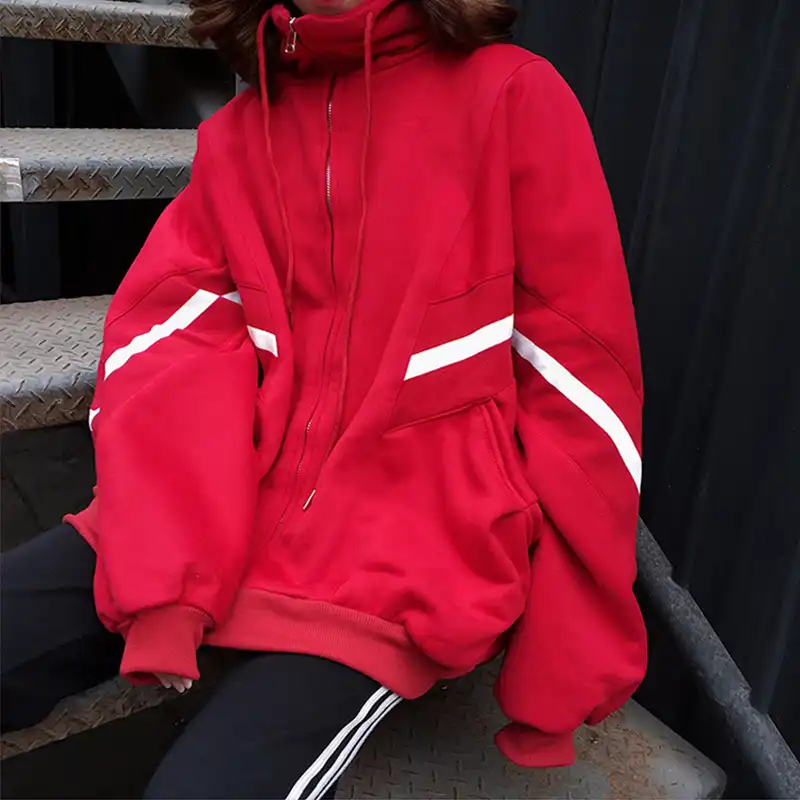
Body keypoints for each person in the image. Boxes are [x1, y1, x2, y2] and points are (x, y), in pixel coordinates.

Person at [0, 0, 647, 794]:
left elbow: (579, 374)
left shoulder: (512, 96)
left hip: (399, 559)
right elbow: (174, 349)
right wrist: (165, 579)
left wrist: (566, 650)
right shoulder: (241, 136)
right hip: (223, 504)